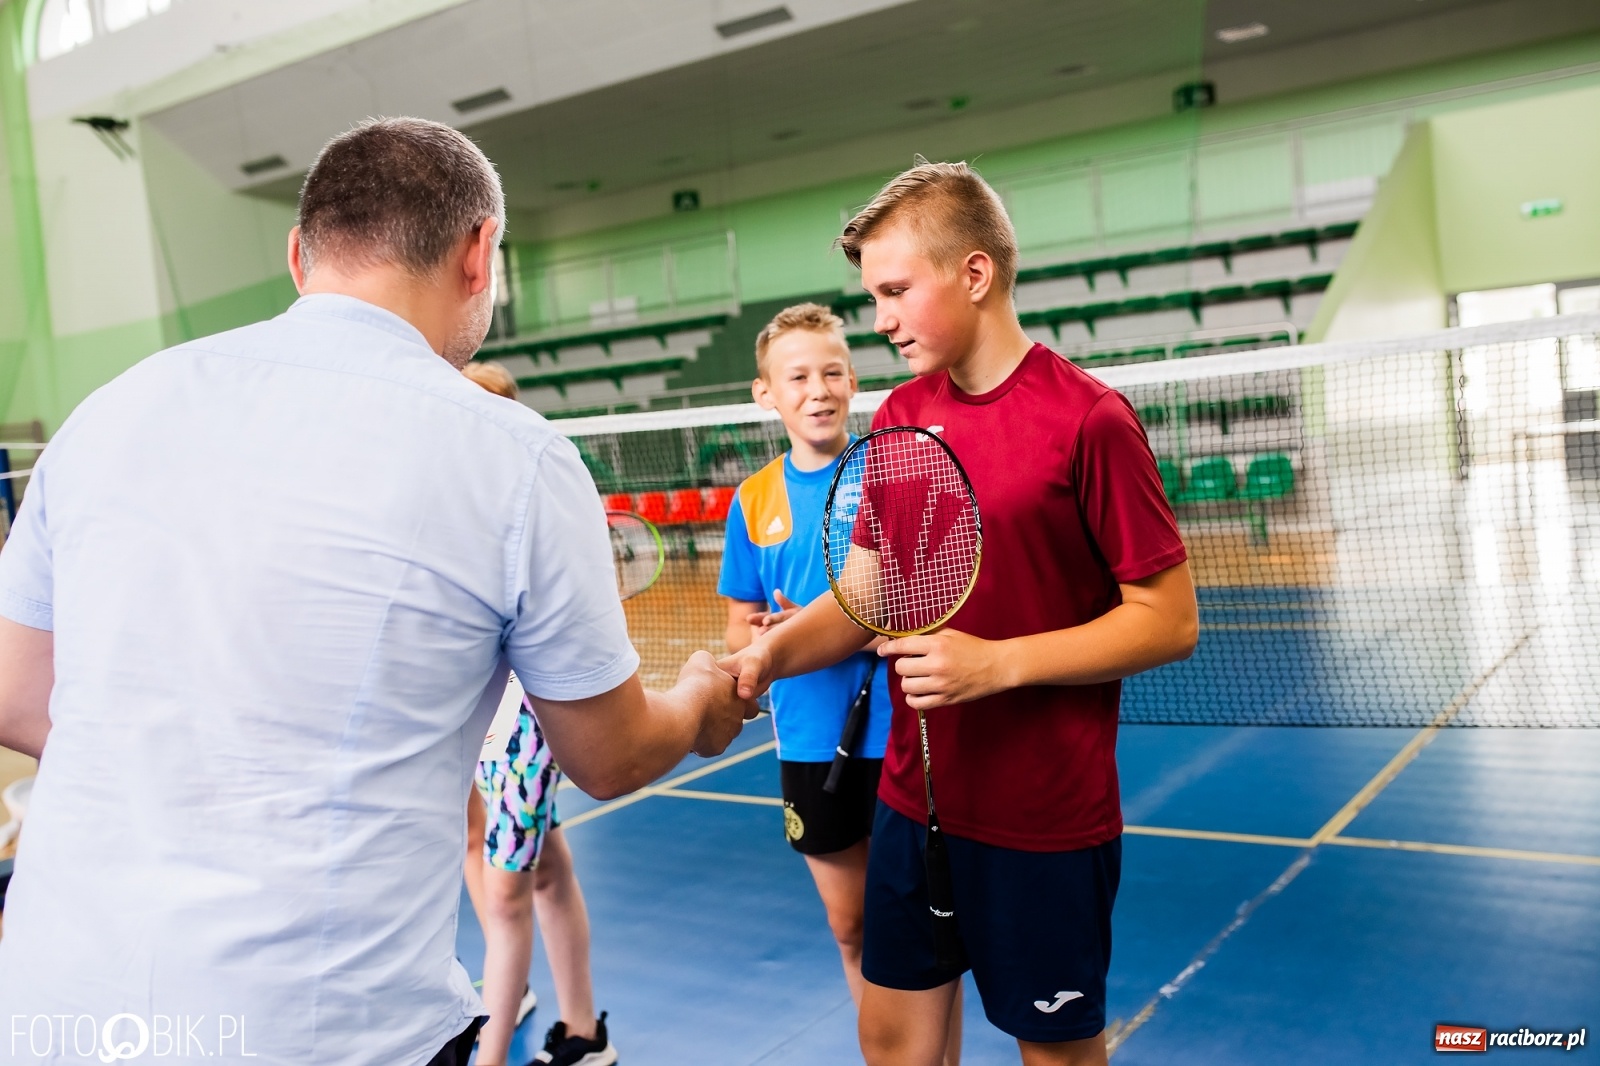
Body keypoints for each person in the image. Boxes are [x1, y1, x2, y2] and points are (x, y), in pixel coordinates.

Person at [0, 117, 752, 1066]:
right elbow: (607, 757)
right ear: (481, 254)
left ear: (297, 254)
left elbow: (19, 698)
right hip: (317, 1031)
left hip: (50, 1007)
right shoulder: (511, 456)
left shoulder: (108, 409)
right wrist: (697, 704)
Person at [719, 161, 1199, 1066]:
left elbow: (1168, 620)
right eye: (874, 295)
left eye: (897, 290)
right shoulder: (902, 416)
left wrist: (996, 663)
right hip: (915, 798)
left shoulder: (1088, 421)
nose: (883, 319)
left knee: (1055, 1052)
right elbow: (868, 595)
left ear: (974, 275)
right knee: (894, 1042)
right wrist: (768, 656)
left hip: (1044, 820)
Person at [718, 303, 964, 1060]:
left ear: (853, 382)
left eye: (831, 372)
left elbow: (935, 594)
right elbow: (739, 626)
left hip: (900, 735)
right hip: (809, 739)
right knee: (851, 926)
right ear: (767, 393)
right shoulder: (752, 501)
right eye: (797, 376)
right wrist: (769, 637)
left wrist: (856, 627)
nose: (817, 389)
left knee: (921, 937)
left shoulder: (888, 470)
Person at [458, 359, 615, 1066]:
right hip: (475, 721)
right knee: (542, 870)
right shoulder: (445, 512)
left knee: (509, 895)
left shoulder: (531, 516)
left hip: (523, 725)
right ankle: (579, 1027)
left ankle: (490, 1057)